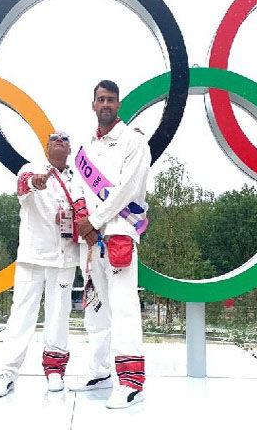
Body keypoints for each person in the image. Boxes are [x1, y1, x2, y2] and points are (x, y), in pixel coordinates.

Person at [70, 80, 151, 409]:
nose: (106, 104)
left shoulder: (133, 141)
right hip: (89, 239)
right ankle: (100, 371)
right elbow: (77, 184)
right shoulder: (85, 146)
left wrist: (95, 220)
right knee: (96, 307)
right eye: (100, 99)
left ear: (118, 105)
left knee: (123, 306)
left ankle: (131, 382)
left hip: (118, 232)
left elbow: (127, 189)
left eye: (111, 100)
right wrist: (83, 220)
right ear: (93, 105)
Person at [0, 131, 84, 397]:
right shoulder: (31, 169)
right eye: (54, 139)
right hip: (33, 257)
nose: (59, 142)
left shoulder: (76, 179)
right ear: (46, 146)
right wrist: (36, 182)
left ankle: (55, 370)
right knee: (21, 315)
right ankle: (6, 373)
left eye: (65, 140)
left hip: (65, 257)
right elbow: (24, 185)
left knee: (59, 316)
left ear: (70, 148)